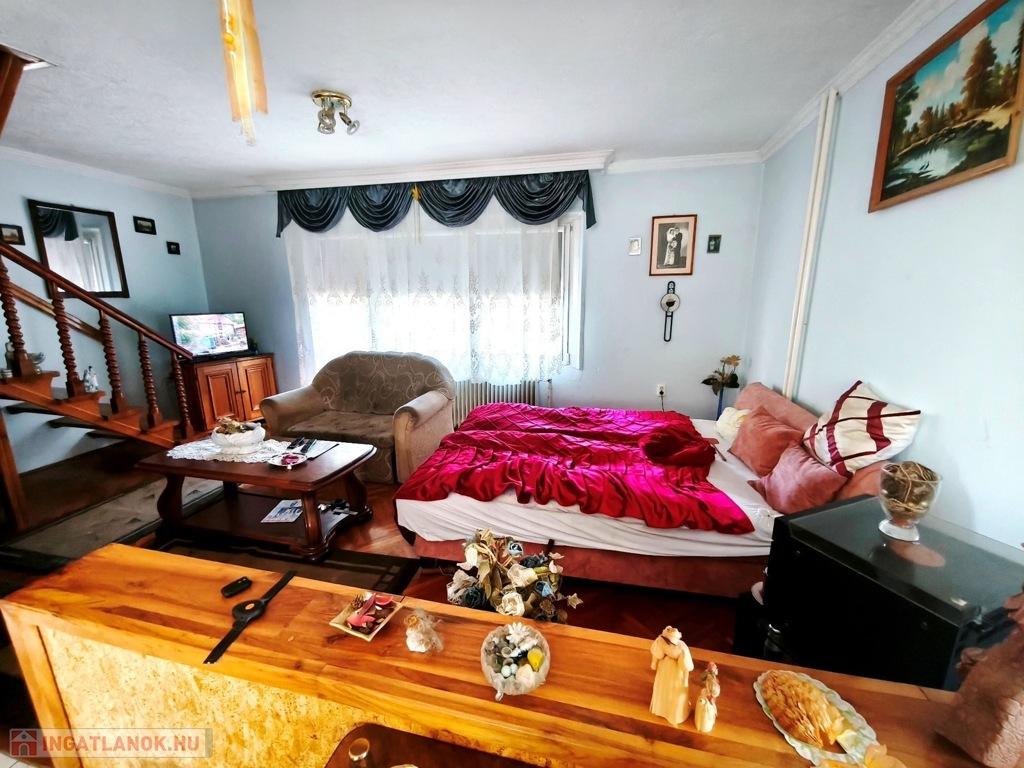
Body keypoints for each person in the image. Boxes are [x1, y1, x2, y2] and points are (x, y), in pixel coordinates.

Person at [650, 625, 694, 726]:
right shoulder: (681, 646)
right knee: (673, 690)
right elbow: (686, 665)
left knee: (665, 688)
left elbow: (658, 655)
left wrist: (655, 663)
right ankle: (672, 713)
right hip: (675, 670)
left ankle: (663, 709)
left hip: (667, 668)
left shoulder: (661, 641)